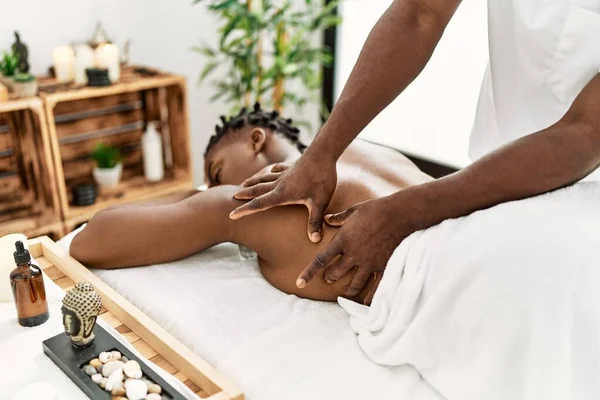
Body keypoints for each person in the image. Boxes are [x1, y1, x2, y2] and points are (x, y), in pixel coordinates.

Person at [229, 0, 600, 297]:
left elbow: (586, 134)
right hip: (492, 172)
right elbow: (419, 12)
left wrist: (406, 214)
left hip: (585, 209)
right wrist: (321, 153)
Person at [69, 105, 432, 304]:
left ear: (255, 140)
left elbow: (88, 240)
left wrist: (199, 198)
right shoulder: (366, 149)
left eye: (215, 172)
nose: (212, 187)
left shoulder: (264, 196)